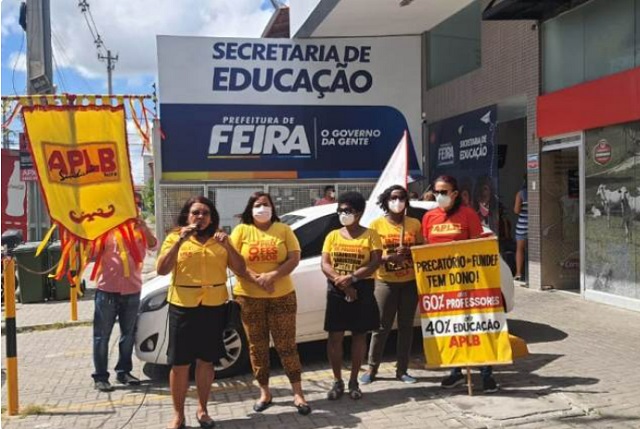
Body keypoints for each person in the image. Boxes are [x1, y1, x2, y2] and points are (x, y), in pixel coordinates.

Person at [157, 196, 247, 429]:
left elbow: (240, 268)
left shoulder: (220, 240)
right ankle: (178, 414)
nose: (200, 217)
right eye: (195, 213)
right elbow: (161, 270)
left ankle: (203, 409)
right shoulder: (175, 237)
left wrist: (228, 244)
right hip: (183, 307)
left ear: (212, 217)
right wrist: (179, 241)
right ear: (187, 216)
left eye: (205, 213)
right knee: (179, 364)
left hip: (213, 307)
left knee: (206, 361)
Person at [230, 192, 311, 416]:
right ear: (250, 208)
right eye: (257, 205)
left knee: (287, 345)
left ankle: (298, 393)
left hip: (282, 295)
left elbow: (294, 257)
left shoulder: (283, 229)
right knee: (257, 346)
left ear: (273, 208)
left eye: (266, 204)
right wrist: (257, 278)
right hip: (249, 297)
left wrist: (271, 277)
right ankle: (265, 392)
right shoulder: (241, 230)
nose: (262, 208)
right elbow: (233, 261)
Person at [422, 175, 499, 394]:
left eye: (444, 192)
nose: (440, 196)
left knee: (476, 327)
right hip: (441, 287)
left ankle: (486, 374)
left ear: (455, 194)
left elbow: (476, 249)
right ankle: (456, 372)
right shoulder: (429, 217)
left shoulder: (468, 214)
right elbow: (426, 249)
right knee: (451, 329)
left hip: (467, 283)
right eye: (437, 192)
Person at [321, 191, 383, 400]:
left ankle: (354, 381)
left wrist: (353, 278)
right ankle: (337, 381)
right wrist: (343, 282)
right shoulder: (332, 235)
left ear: (359, 212)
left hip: (362, 289)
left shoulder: (371, 235)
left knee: (359, 336)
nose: (343, 214)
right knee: (335, 337)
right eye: (341, 210)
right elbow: (325, 263)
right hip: (337, 290)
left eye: (348, 210)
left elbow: (375, 262)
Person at [360, 185, 423, 385]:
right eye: (394, 198)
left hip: (410, 283)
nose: (398, 202)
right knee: (381, 327)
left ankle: (402, 370)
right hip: (385, 282)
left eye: (402, 198)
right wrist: (388, 257)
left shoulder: (414, 223)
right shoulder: (376, 225)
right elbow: (370, 256)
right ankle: (372, 368)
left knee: (406, 327)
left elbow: (423, 250)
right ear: (386, 201)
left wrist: (410, 251)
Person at [92, 214, 157, 392]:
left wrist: (144, 227)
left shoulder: (139, 231)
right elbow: (92, 252)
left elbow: (153, 245)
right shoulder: (106, 230)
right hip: (107, 291)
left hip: (132, 290)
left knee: (128, 335)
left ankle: (124, 372)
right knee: (101, 336)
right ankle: (100, 376)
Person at [514, 179, 528, 282]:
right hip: (535, 224)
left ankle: (519, 273)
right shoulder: (538, 191)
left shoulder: (521, 193)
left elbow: (516, 210)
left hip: (523, 224)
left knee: (520, 248)